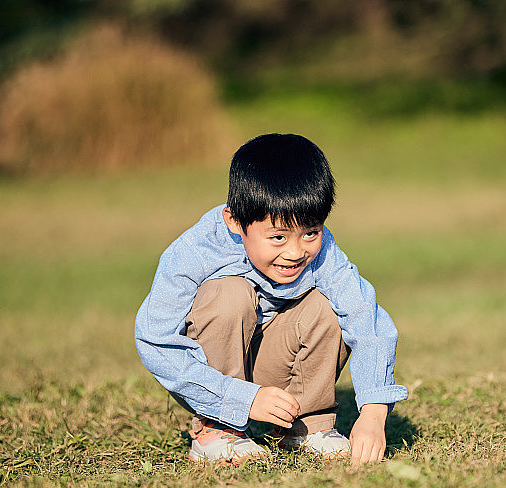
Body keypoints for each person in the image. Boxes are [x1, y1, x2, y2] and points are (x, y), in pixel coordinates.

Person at [134, 133, 408, 465]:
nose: (295, 252)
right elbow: (156, 339)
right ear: (235, 221)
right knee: (229, 294)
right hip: (213, 373)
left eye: (310, 232)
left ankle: (306, 427)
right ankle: (218, 431)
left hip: (275, 362)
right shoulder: (194, 252)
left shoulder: (323, 254)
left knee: (329, 304)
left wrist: (374, 416)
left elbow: (367, 318)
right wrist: (238, 398)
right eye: (277, 237)